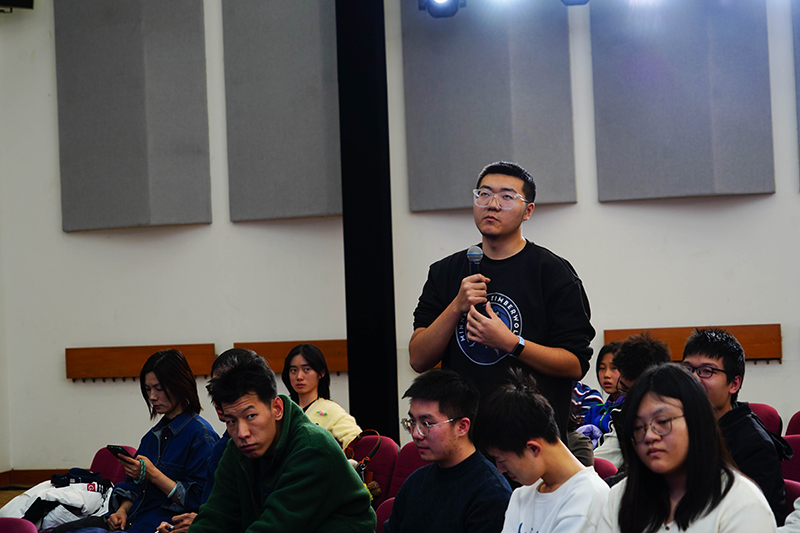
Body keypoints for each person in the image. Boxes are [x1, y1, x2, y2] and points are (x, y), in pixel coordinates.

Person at [410, 160, 595, 441]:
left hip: (530, 438)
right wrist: (456, 306)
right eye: (484, 194)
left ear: (528, 210)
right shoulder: (444, 272)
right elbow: (418, 358)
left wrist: (511, 343)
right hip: (464, 438)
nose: (492, 205)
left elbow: (575, 363)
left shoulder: (553, 272)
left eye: (507, 197)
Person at [188, 358, 375, 532]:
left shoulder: (313, 449)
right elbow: (215, 517)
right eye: (231, 421)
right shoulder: (236, 450)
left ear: (277, 408)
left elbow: (275, 527)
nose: (242, 432)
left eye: (251, 416)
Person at [598, 364, 776, 533]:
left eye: (662, 421)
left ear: (695, 421)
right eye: (638, 427)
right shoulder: (620, 497)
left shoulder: (741, 503)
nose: (649, 435)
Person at [73, 349, 219, 533]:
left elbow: (198, 500)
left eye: (159, 389)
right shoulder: (152, 436)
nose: (152, 397)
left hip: (159, 526)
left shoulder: (201, 437)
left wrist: (153, 474)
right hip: (133, 522)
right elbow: (133, 487)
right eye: (148, 389)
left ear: (179, 385)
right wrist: (121, 511)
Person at [474, 370, 609, 533]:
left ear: (533, 448)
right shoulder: (521, 496)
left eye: (501, 460)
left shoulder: (588, 497)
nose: (500, 469)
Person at [682, 328, 792, 526]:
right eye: (688, 369)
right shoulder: (680, 426)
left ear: (734, 384)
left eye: (707, 371)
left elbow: (756, 519)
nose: (694, 379)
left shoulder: (756, 446)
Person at [385, 369, 512, 533]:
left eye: (427, 424)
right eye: (412, 422)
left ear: (462, 427)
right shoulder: (415, 482)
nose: (416, 434)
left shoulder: (491, 493)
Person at [156, 348, 268, 533]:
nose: (217, 398)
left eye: (226, 386)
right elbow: (213, 509)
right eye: (214, 389)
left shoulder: (301, 448)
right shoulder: (224, 449)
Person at [594, 333, 671, 469]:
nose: (629, 400)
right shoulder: (623, 418)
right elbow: (600, 460)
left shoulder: (683, 418)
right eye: (622, 388)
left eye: (630, 391)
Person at [281, 343, 362, 448]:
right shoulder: (282, 410)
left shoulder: (332, 410)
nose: (299, 376)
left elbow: (356, 441)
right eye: (294, 370)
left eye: (306, 369)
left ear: (321, 373)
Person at [584, 342, 624, 434]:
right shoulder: (594, 411)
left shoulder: (631, 410)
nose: (606, 375)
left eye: (614, 368)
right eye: (602, 368)